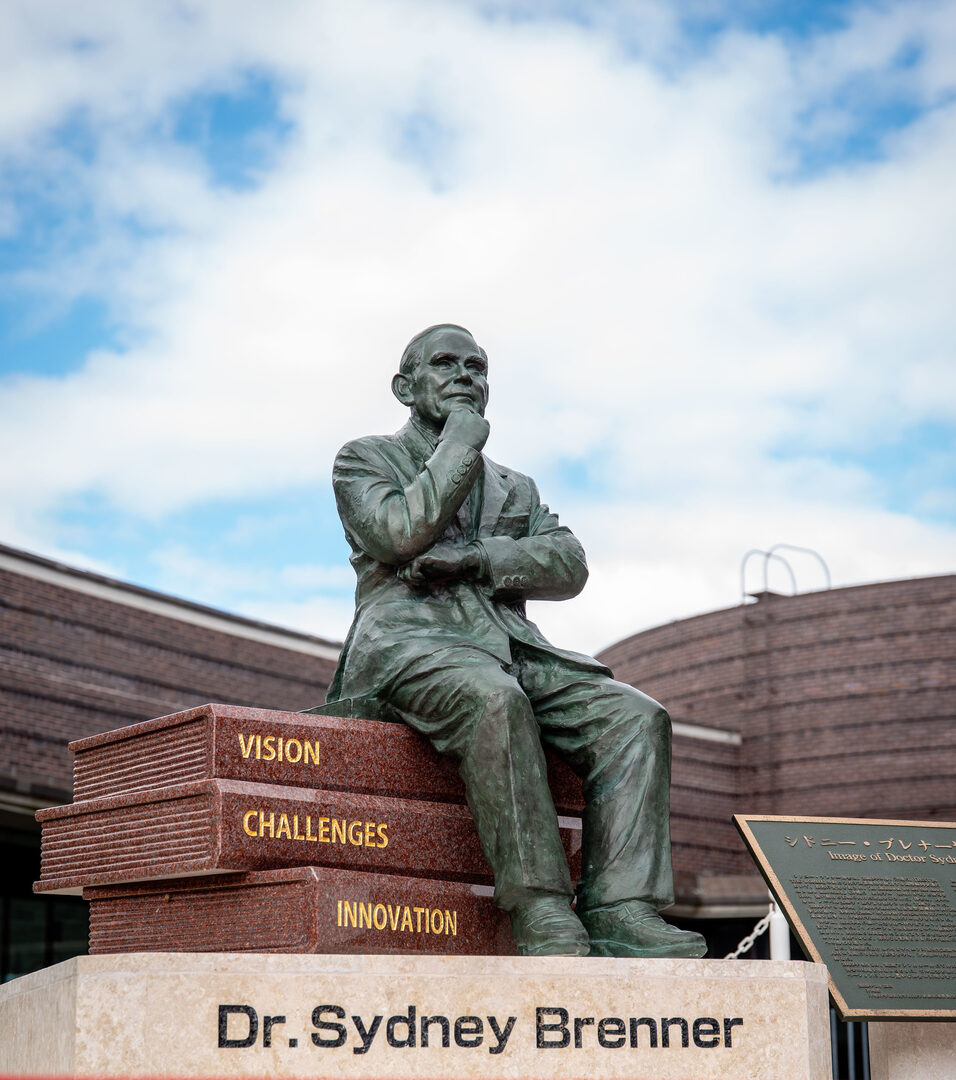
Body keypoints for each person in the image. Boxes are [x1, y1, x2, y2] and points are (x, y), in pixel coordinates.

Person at [326, 323, 705, 958]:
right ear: (403, 386)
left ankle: (620, 908)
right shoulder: (363, 458)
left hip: (513, 644)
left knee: (636, 717)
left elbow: (568, 564)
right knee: (496, 702)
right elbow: (397, 535)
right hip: (411, 640)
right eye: (445, 364)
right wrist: (459, 445)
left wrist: (476, 558)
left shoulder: (517, 487)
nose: (465, 376)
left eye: (477, 366)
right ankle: (541, 907)